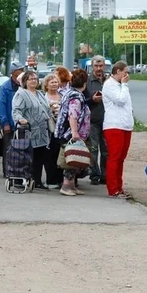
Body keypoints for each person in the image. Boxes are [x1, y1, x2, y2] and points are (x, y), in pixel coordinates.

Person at [12, 70, 53, 190]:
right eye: (31, 79)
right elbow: (16, 110)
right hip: (29, 130)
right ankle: (24, 179)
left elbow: (46, 108)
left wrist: (51, 115)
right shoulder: (21, 94)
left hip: (42, 131)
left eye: (35, 78)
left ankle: (37, 180)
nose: (34, 81)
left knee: (40, 157)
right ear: (25, 81)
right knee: (28, 156)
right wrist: (20, 119)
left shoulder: (40, 94)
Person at [55, 69, 91, 197]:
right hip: (71, 133)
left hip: (70, 132)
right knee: (70, 160)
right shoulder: (76, 97)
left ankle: (72, 186)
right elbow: (73, 115)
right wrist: (75, 133)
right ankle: (66, 186)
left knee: (74, 159)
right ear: (85, 83)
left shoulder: (71, 93)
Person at [102, 60, 134, 199]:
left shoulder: (120, 85)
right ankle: (113, 189)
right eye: (125, 72)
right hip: (114, 125)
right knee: (114, 157)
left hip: (125, 125)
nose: (127, 75)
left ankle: (119, 187)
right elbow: (121, 100)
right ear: (118, 72)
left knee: (121, 158)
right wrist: (125, 85)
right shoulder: (109, 85)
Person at [85, 55, 108, 186]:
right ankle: (94, 174)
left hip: (108, 121)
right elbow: (82, 101)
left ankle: (105, 175)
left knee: (106, 150)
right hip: (92, 120)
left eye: (101, 66)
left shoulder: (109, 80)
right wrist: (93, 100)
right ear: (92, 66)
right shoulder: (88, 81)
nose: (99, 69)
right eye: (96, 66)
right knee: (93, 149)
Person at [0, 62, 25, 159]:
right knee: (8, 149)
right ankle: (8, 172)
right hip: (10, 124)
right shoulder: (5, 87)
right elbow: (1, 106)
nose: (21, 74)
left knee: (22, 150)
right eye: (18, 73)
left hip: (23, 124)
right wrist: (5, 123)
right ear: (13, 74)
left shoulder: (25, 86)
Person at [42, 73, 64, 189]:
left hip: (61, 130)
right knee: (49, 155)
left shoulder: (62, 95)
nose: (54, 84)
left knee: (61, 154)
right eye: (52, 82)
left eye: (56, 82)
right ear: (46, 85)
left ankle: (61, 180)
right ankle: (51, 180)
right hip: (48, 130)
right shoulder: (43, 97)